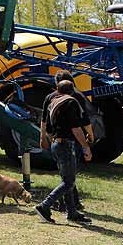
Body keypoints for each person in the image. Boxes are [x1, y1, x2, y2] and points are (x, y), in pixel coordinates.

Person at [35, 80, 93, 224]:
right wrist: (86, 146)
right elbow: (76, 128)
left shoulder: (52, 101)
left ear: (57, 89)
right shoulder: (70, 102)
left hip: (56, 143)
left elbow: (47, 127)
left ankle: (72, 212)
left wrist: (49, 140)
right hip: (66, 144)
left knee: (66, 180)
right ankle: (44, 206)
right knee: (69, 182)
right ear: (72, 90)